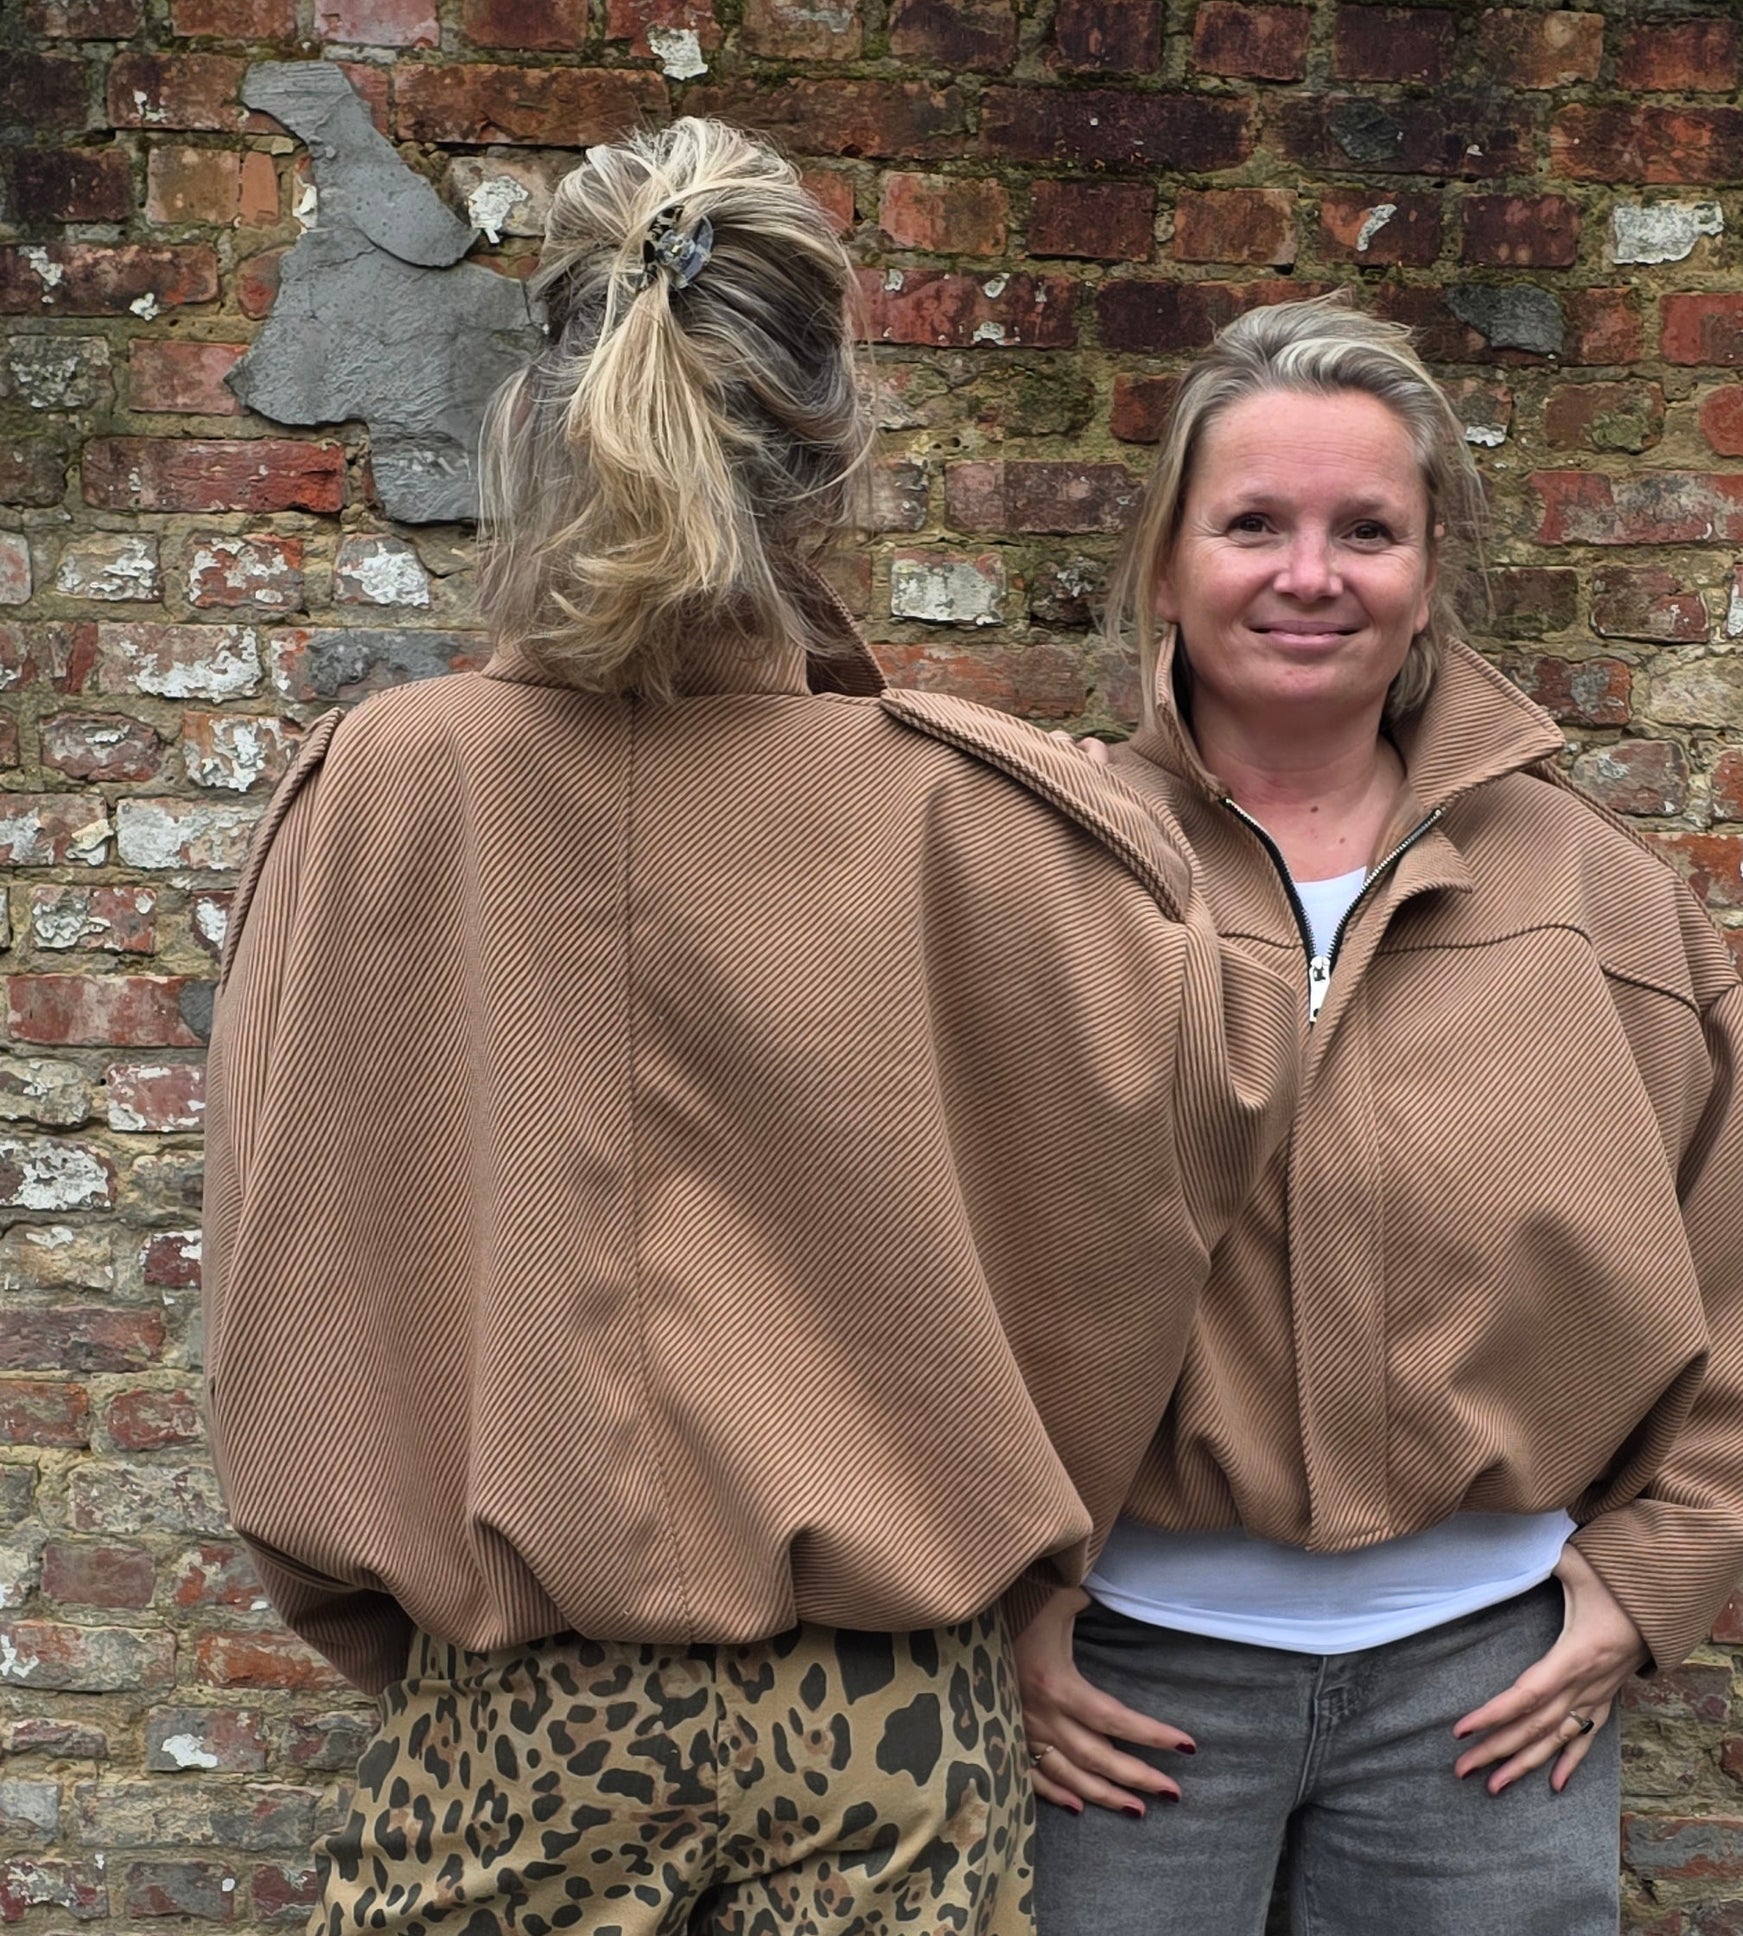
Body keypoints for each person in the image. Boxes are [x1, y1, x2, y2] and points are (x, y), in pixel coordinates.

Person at [202, 119, 1298, 1936]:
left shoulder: (379, 796)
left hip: (512, 1710)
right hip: (891, 1719)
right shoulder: (990, 820)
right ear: (831, 440)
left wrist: (416, 1624)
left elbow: (280, 1295)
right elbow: (1182, 1167)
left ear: (536, 415)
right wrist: (1022, 1545)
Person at [1018, 296, 1743, 1936]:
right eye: (1251, 525)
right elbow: (920, 1267)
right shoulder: (1039, 875)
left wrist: (1651, 1576)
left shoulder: (1593, 897)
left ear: (1429, 573)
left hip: (1485, 1704)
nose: (1309, 575)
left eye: (1365, 531)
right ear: (1164, 567)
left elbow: (1722, 1267)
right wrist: (992, 1608)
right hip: (1118, 1694)